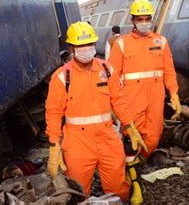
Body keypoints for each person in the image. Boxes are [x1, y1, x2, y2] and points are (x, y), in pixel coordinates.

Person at [45, 21, 147, 202]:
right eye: (81, 45)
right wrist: (54, 146)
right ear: (71, 48)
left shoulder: (107, 69)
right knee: (78, 192)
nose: (86, 49)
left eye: (89, 44)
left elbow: (119, 101)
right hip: (77, 143)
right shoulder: (62, 77)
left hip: (107, 138)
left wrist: (130, 127)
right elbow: (53, 113)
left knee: (119, 189)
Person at [108, 0, 182, 203]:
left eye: (146, 18)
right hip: (132, 101)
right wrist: (113, 105)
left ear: (151, 18)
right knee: (132, 139)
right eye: (139, 19)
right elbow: (112, 78)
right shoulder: (121, 44)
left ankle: (131, 165)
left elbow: (169, 70)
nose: (143, 22)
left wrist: (174, 93)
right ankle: (135, 184)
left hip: (155, 101)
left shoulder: (161, 41)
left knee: (152, 139)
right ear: (132, 20)